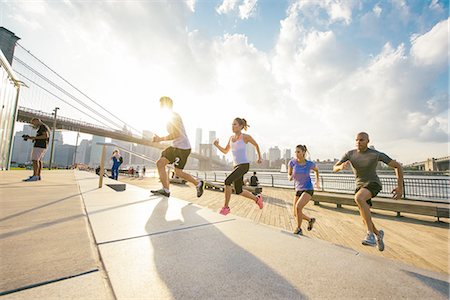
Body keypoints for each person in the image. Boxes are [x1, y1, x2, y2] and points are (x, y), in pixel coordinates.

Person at [333, 132, 404, 251]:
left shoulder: (375, 154)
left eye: (362, 140)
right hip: (360, 186)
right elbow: (334, 168)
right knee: (365, 217)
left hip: (373, 184)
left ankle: (370, 235)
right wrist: (340, 167)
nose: (358, 142)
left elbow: (398, 166)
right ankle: (378, 234)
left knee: (359, 198)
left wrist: (400, 187)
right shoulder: (350, 154)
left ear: (368, 141)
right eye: (357, 140)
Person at [151, 96, 205, 198]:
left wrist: (160, 139)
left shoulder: (174, 116)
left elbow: (176, 134)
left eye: (162, 104)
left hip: (182, 148)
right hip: (176, 146)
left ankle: (198, 184)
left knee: (178, 172)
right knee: (160, 163)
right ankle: (166, 190)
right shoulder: (168, 117)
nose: (160, 106)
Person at [213, 118, 263, 216]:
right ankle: (257, 199)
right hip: (236, 166)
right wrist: (217, 145)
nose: (233, 126)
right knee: (239, 191)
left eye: (235, 124)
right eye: (232, 124)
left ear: (240, 126)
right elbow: (225, 151)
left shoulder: (245, 137)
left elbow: (256, 145)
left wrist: (259, 157)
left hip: (244, 165)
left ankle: (226, 207)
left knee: (227, 181)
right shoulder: (231, 138)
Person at [288, 145, 320, 235]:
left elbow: (316, 170)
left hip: (308, 189)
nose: (296, 154)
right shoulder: (292, 163)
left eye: (298, 152)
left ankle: (298, 229)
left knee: (298, 207)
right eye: (295, 152)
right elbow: (289, 175)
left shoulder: (309, 164)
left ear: (303, 152)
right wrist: (290, 177)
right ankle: (310, 220)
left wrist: (317, 182)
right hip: (298, 189)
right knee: (295, 213)